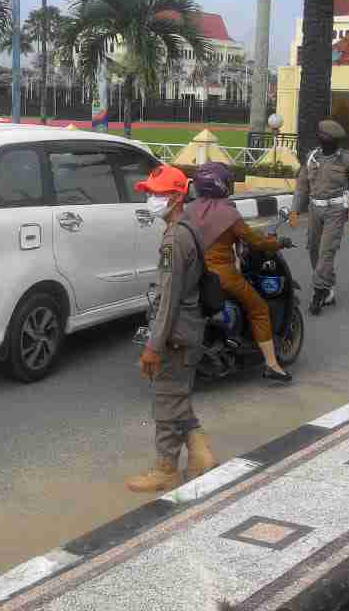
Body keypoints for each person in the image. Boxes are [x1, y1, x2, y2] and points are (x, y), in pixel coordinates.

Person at [128, 164, 216, 493]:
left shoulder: (174, 239)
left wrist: (153, 345)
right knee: (176, 395)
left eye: (157, 194)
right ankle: (200, 453)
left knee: (166, 399)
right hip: (187, 327)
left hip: (177, 332)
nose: (151, 199)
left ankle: (166, 468)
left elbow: (169, 299)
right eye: (149, 193)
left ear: (177, 197)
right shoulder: (185, 228)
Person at [185, 162, 295, 383]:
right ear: (221, 185)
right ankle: (272, 365)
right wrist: (278, 243)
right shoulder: (229, 214)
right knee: (259, 308)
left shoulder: (189, 210)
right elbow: (255, 241)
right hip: (221, 276)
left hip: (190, 273)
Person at [289, 120, 349, 315]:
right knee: (313, 248)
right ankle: (328, 286)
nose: (327, 141)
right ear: (321, 138)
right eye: (324, 138)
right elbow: (302, 185)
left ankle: (319, 291)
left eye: (331, 139)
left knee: (326, 251)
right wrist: (294, 210)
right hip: (315, 209)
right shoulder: (311, 157)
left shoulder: (347, 160)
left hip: (336, 210)